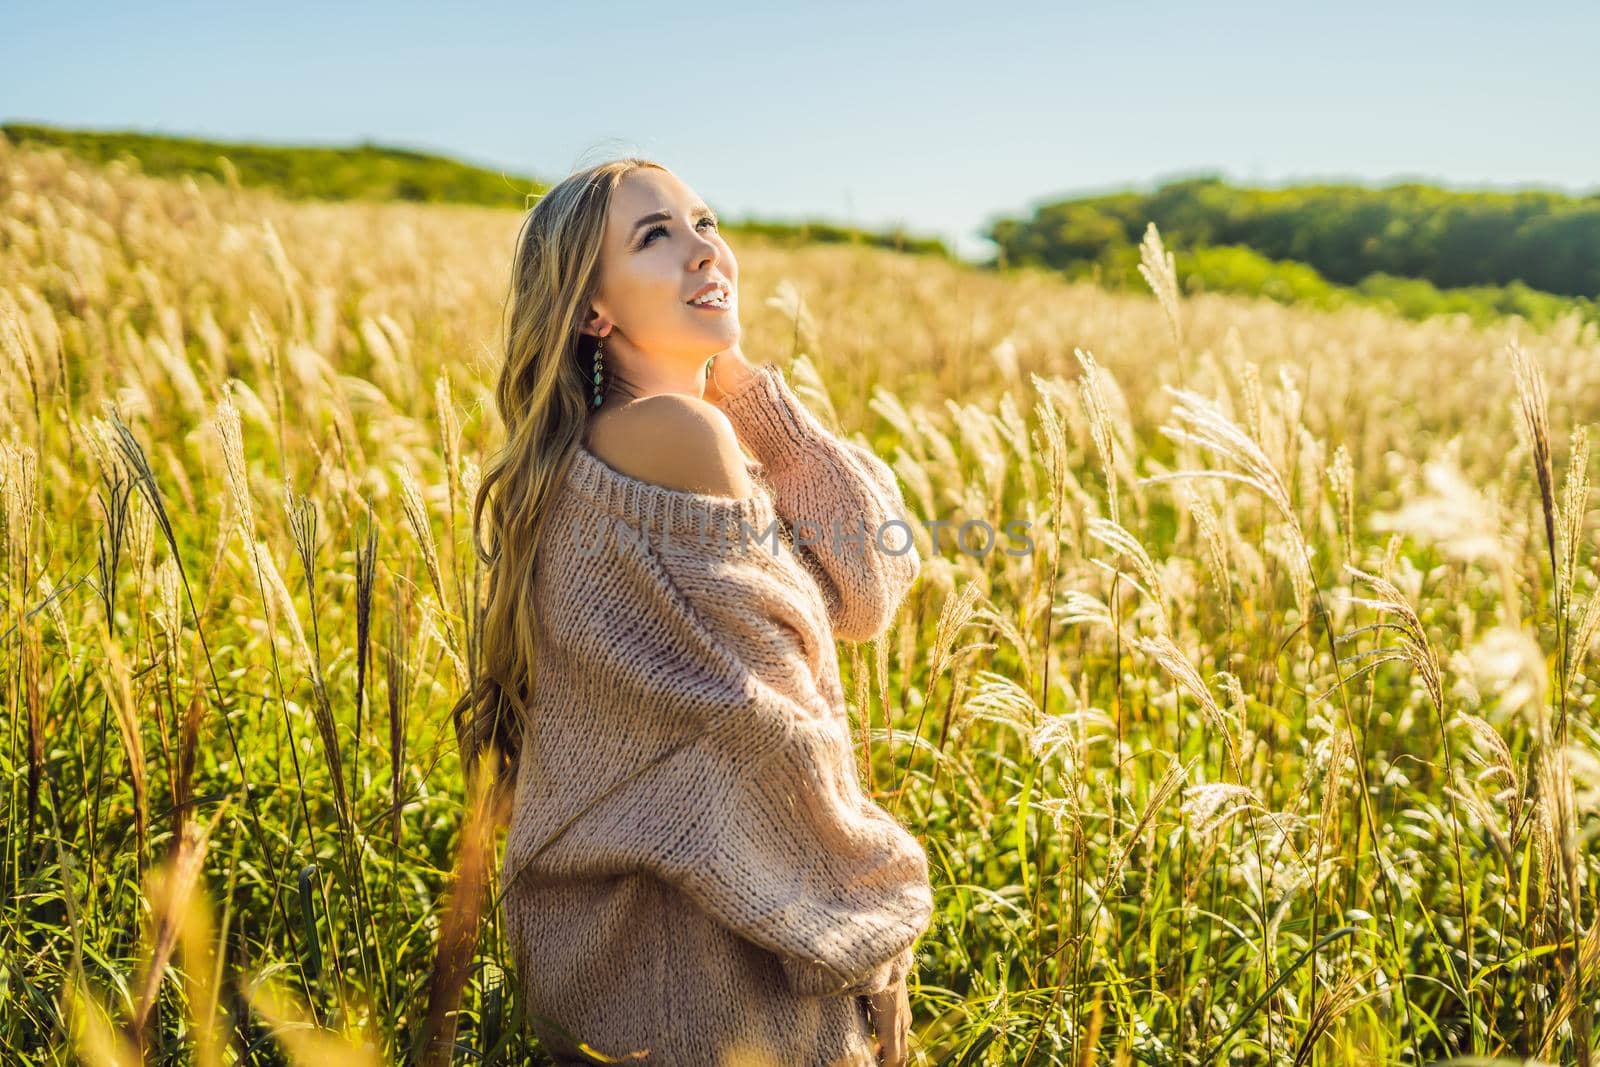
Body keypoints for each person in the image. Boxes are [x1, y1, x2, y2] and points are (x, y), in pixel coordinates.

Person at [453, 157, 933, 1066]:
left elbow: (869, 578)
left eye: (705, 223)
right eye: (655, 236)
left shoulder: (624, 444)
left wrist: (739, 377)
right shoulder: (678, 438)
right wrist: (874, 924)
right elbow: (769, 731)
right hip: (703, 970)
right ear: (594, 310)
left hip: (641, 951)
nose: (702, 250)